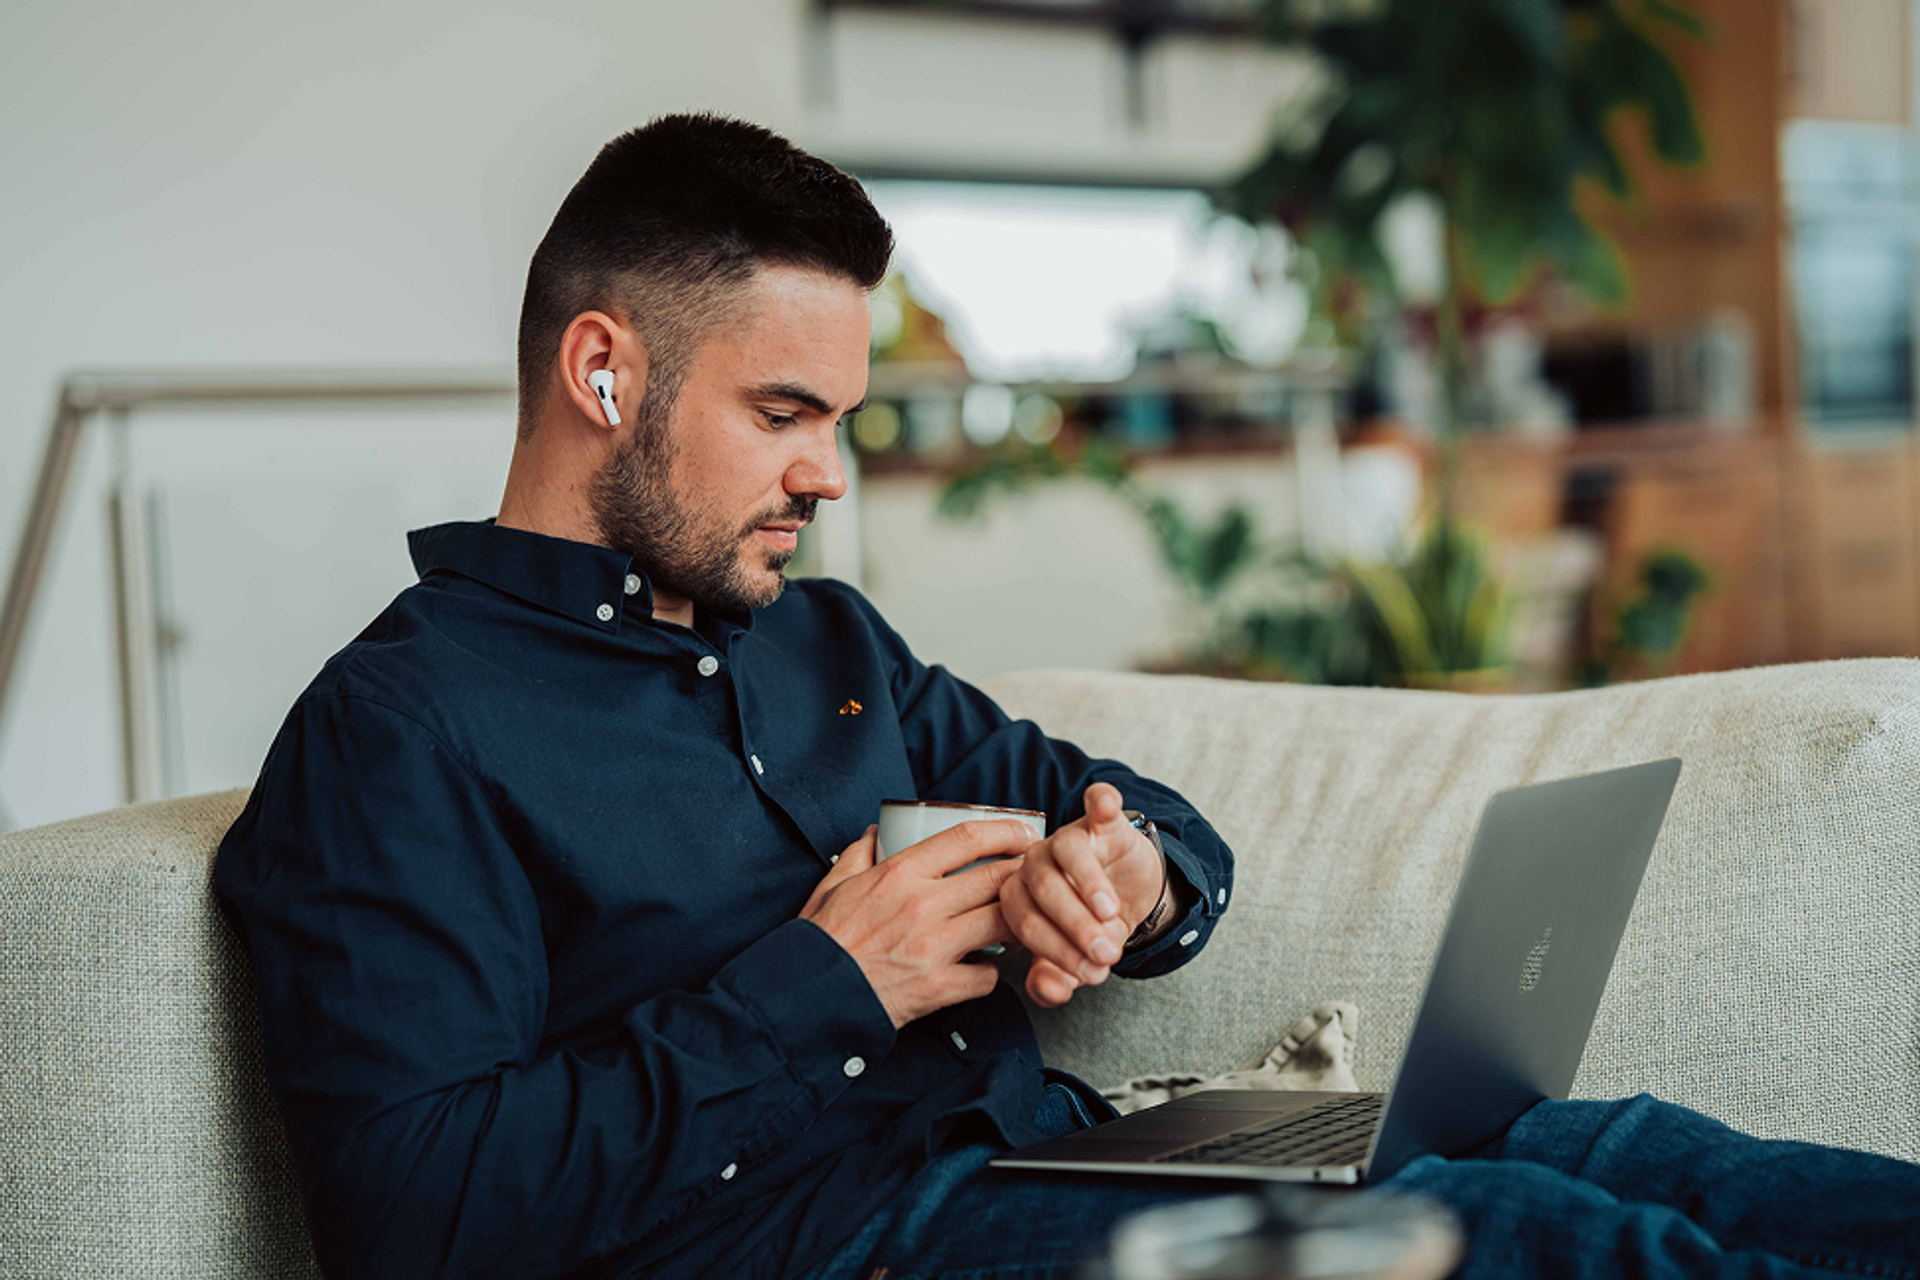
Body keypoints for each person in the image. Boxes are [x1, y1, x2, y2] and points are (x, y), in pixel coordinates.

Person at [213, 114, 1920, 1280]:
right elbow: (409, 1217)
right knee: (1537, 1235)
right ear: (606, 371)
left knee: (1614, 1144)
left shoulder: (828, 648)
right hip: (846, 1245)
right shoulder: (403, 731)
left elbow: (1144, 816)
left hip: (1073, 1156)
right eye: (788, 413)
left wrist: (1131, 871)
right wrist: (827, 982)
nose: (827, 475)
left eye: (843, 425)